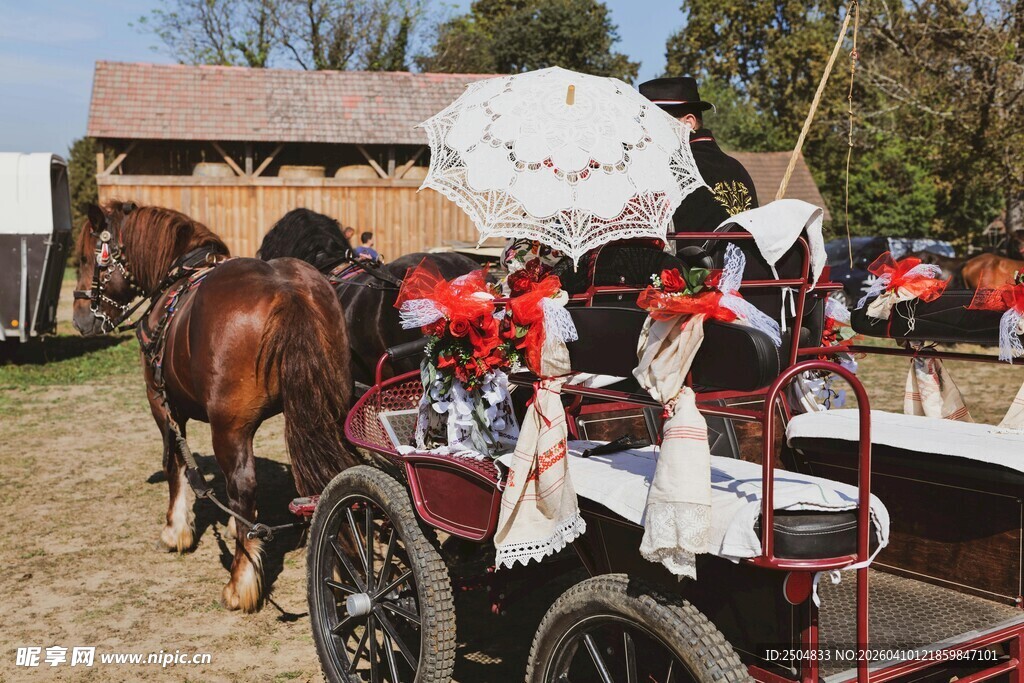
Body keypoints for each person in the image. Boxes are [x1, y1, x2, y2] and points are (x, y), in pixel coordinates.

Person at [638, 76, 758, 240]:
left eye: (655, 123)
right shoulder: (738, 168)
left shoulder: (669, 170)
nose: (646, 133)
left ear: (688, 123)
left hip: (689, 266)